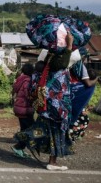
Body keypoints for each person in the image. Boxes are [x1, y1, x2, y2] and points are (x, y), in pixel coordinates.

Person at [15, 32, 74, 171]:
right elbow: (63, 62)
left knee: (44, 130)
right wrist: (69, 45)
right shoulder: (56, 64)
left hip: (49, 106)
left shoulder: (49, 62)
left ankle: (23, 140)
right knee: (55, 132)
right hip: (56, 108)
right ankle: (51, 162)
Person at [11, 63, 35, 158]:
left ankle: (20, 148)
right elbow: (28, 95)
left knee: (25, 129)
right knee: (29, 131)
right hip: (25, 109)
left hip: (20, 108)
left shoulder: (20, 79)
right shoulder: (28, 81)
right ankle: (18, 147)